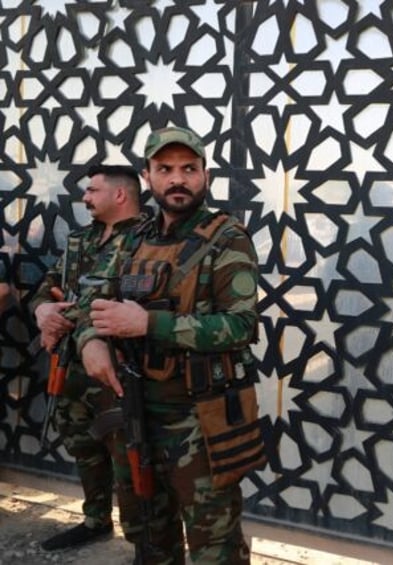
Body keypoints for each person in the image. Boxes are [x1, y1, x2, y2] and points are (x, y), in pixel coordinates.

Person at [77, 126, 266, 564]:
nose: (177, 179)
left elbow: (240, 325)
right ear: (147, 176)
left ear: (205, 175)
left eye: (189, 169)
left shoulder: (227, 237)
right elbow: (91, 301)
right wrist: (90, 340)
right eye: (165, 169)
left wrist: (149, 323)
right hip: (134, 410)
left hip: (199, 418)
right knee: (147, 534)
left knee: (213, 544)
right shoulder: (134, 237)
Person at [31, 164, 145, 550]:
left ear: (119, 194)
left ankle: (144, 542)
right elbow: (49, 287)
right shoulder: (81, 239)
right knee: (83, 447)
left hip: (116, 369)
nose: (85, 197)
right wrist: (43, 312)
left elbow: (119, 301)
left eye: (92, 190)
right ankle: (97, 519)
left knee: (127, 458)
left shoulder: (147, 240)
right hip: (70, 364)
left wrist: (71, 312)